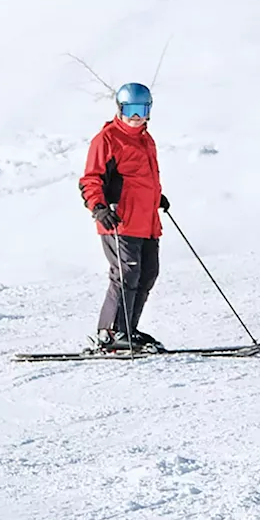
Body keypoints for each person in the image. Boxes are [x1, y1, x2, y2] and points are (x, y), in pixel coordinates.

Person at [78, 82, 171, 352]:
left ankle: (128, 328)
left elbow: (146, 178)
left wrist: (157, 197)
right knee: (126, 274)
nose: (135, 116)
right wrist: (98, 207)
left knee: (147, 274)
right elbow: (90, 179)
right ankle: (110, 332)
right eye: (130, 109)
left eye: (142, 109)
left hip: (147, 221)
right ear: (119, 108)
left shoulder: (145, 139)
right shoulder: (107, 139)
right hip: (118, 220)